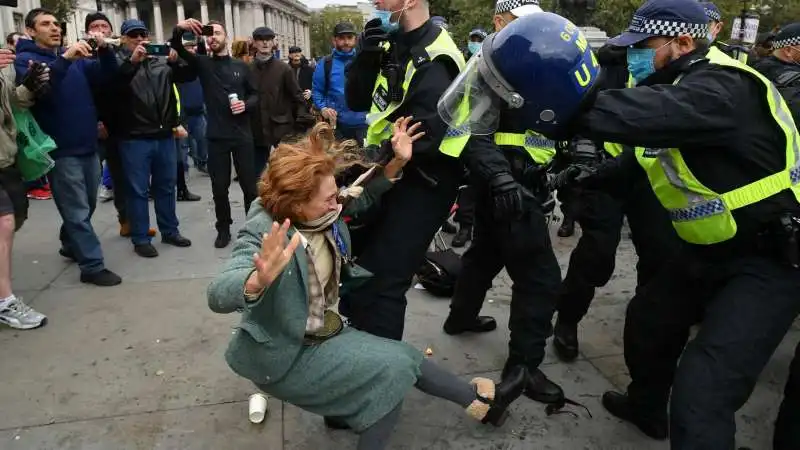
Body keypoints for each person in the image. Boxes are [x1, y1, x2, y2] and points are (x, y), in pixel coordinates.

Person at [443, 3, 800, 447]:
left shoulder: (722, 85)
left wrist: (554, 101)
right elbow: (647, 155)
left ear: (684, 43)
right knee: (648, 322)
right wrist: (590, 174)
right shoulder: (681, 81)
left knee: (702, 389)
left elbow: (645, 118)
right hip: (706, 249)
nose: (634, 58)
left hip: (766, 259)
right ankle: (645, 405)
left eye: (642, 48)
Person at [207, 121, 528, 449]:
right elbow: (218, 293)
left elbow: (355, 200)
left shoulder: (323, 212)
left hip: (326, 331)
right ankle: (481, 406)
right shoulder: (266, 230)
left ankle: (485, 407)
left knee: (405, 359)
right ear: (297, 203)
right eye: (329, 199)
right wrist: (257, 279)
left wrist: (397, 163)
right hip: (287, 353)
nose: (337, 204)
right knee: (389, 383)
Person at [438, 0, 564, 404]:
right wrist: (500, 177)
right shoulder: (488, 68)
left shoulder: (530, 60)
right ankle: (524, 366)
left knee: (484, 256)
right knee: (539, 280)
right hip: (509, 187)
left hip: (513, 182)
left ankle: (460, 318)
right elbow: (464, 131)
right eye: (518, 24)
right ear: (498, 22)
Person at [341, 0, 468, 342]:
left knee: (385, 280)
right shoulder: (389, 43)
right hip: (386, 175)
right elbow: (355, 100)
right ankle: (357, 342)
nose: (376, 3)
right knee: (360, 270)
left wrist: (367, 163)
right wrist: (366, 58)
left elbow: (421, 137)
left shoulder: (438, 57)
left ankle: (382, 373)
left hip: (423, 183)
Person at [549, 43, 680, 362]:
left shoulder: (683, 77)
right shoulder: (608, 65)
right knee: (596, 254)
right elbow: (583, 112)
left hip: (652, 177)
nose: (639, 55)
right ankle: (567, 321)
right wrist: (584, 155)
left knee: (658, 256)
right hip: (605, 175)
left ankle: (648, 338)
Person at [17, 8, 122, 286]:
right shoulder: (26, 60)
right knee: (76, 210)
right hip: (60, 149)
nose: (55, 28)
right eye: (45, 24)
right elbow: (42, 88)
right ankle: (92, 265)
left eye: (56, 24)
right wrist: (65, 59)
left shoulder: (74, 60)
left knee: (86, 204)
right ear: (30, 31)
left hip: (87, 145)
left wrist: (105, 51)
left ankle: (69, 241)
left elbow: (108, 77)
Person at [170, 19, 259, 249]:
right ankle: (223, 228)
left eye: (217, 33)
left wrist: (245, 105)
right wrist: (181, 29)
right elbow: (178, 48)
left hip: (242, 135)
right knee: (219, 187)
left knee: (250, 187)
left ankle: (253, 228)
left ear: (226, 36)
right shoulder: (202, 63)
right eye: (209, 34)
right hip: (216, 136)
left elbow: (255, 95)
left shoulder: (242, 66)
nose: (213, 37)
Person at [112, 19, 195, 258]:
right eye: (133, 35)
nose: (139, 39)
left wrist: (176, 60)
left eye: (142, 35)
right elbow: (113, 88)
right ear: (124, 39)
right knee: (138, 190)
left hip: (163, 134)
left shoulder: (160, 60)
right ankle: (140, 237)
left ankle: (170, 230)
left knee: (166, 186)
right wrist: (132, 63)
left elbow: (188, 75)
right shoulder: (118, 61)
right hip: (134, 136)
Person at [0, 42, 50, 329]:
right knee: (4, 222)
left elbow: (13, 102)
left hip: (7, 155)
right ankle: (5, 302)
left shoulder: (4, 59)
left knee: (16, 216)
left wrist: (30, 86)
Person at [249, 26, 311, 175]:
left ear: (273, 43)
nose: (265, 43)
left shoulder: (283, 69)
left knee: (287, 172)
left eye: (268, 40)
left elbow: (297, 97)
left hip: (282, 127)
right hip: (256, 128)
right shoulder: (248, 69)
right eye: (260, 40)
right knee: (257, 174)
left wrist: (300, 123)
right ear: (254, 43)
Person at [312, 22, 367, 142]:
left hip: (364, 124)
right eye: (341, 38)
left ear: (355, 39)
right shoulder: (326, 63)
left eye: (349, 37)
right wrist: (323, 108)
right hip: (337, 125)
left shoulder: (365, 60)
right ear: (334, 40)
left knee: (367, 160)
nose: (346, 42)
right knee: (338, 160)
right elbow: (317, 91)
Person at [176, 32, 208, 174]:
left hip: (198, 111)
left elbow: (203, 55)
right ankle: (183, 171)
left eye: (193, 46)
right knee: (183, 145)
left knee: (202, 139)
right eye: (188, 47)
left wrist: (200, 40)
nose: (191, 49)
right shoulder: (177, 65)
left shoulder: (198, 64)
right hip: (182, 113)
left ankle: (202, 162)